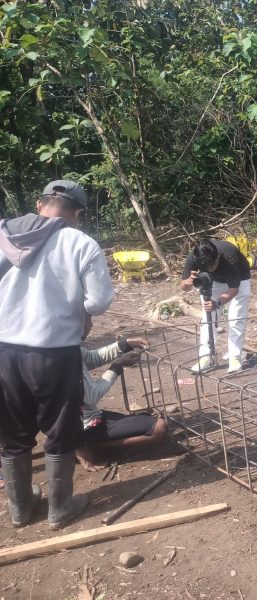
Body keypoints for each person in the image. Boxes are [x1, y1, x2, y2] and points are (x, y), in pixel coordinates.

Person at [0, 180, 115, 529]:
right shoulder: (80, 243)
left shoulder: (4, 234)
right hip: (53, 352)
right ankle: (59, 507)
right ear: (77, 214)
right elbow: (98, 301)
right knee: (59, 426)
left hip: (4, 350)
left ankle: (20, 509)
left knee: (12, 430)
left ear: (39, 203)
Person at [76, 316, 168, 471]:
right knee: (159, 427)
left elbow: (91, 358)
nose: (91, 324)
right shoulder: (64, 354)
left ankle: (83, 442)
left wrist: (124, 345)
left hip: (82, 416)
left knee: (144, 418)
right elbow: (92, 396)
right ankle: (88, 445)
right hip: (84, 424)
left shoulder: (66, 345)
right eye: (87, 319)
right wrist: (118, 366)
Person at [179, 239, 251, 374]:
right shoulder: (194, 257)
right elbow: (184, 287)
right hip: (213, 281)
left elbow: (234, 289)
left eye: (213, 265)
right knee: (207, 319)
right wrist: (188, 282)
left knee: (236, 318)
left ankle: (235, 358)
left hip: (239, 279)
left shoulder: (229, 256)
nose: (211, 268)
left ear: (217, 256)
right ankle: (205, 357)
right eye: (207, 267)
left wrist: (217, 303)